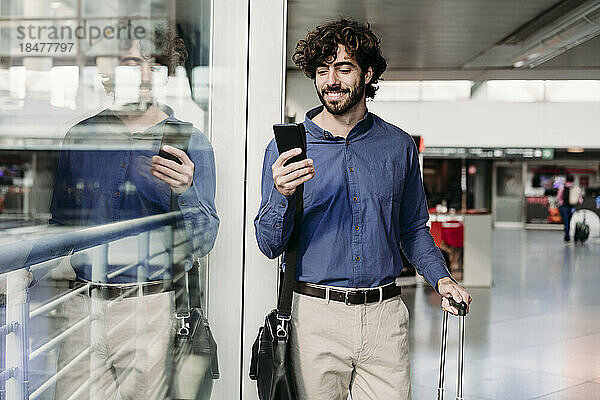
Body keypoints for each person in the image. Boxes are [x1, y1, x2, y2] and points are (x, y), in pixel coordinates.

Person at [254, 19, 471, 399]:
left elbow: (413, 230)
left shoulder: (398, 146)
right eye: (322, 70)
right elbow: (269, 245)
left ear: (367, 73)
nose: (331, 80)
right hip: (315, 317)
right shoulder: (289, 146)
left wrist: (442, 279)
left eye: (343, 67)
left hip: (385, 317)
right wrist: (281, 194)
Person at [46, 24, 219, 400]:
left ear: (164, 74)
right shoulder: (82, 136)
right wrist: (22, 272)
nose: (142, 73)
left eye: (152, 63)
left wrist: (185, 192)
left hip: (152, 309)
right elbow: (60, 226)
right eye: (129, 62)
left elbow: (204, 241)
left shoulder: (188, 142)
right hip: (81, 308)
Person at [557, 174, 583, 242]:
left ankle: (567, 236)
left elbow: (558, 198)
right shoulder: (577, 188)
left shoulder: (562, 188)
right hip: (572, 208)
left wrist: (561, 202)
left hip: (564, 207)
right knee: (569, 221)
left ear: (566, 180)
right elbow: (580, 200)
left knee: (566, 222)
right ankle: (567, 235)